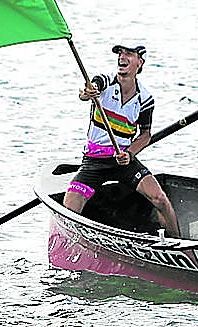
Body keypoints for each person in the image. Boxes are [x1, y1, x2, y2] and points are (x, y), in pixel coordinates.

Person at [63, 43, 180, 237]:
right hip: (94, 161)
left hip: (122, 160)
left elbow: (145, 135)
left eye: (128, 54)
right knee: (69, 211)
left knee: (159, 199)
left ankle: (179, 245)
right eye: (120, 53)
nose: (122, 57)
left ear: (139, 63)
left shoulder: (146, 98)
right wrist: (86, 94)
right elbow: (86, 92)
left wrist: (129, 154)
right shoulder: (104, 82)